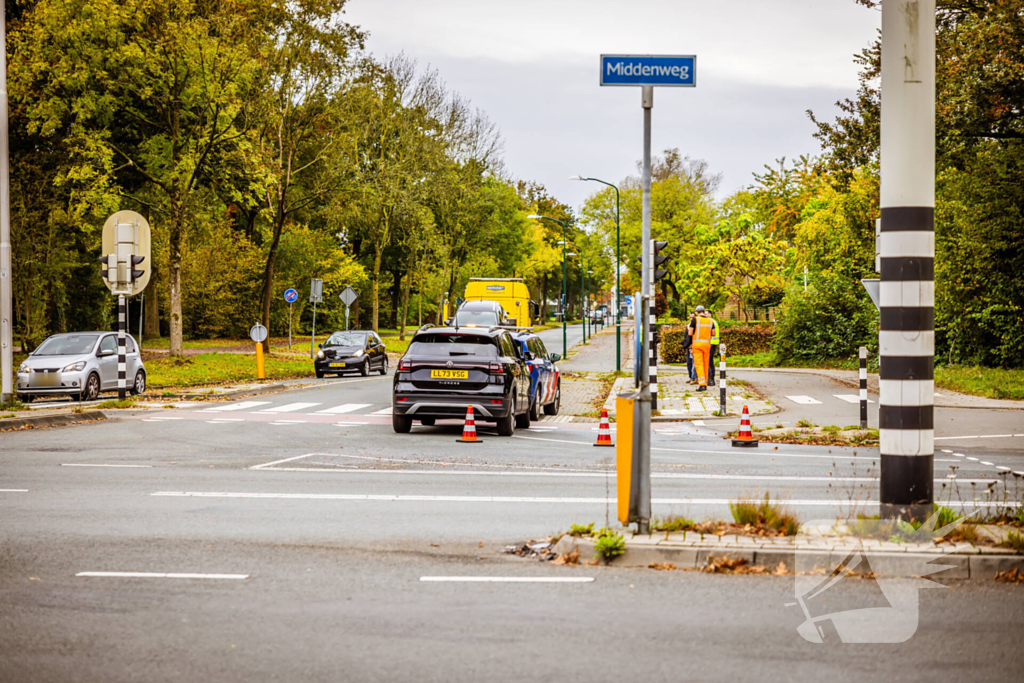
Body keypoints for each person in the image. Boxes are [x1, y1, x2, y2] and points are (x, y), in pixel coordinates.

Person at [688, 305, 714, 392]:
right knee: (706, 364)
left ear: (697, 312)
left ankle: (702, 384)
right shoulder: (711, 321)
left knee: (699, 364)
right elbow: (713, 333)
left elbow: (690, 333)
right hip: (707, 345)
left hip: (697, 345)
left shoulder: (695, 319)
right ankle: (705, 383)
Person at [683, 312, 696, 384]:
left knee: (694, 363)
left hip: (694, 347)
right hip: (689, 347)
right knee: (689, 363)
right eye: (690, 317)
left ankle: (694, 378)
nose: (691, 319)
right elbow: (686, 336)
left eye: (692, 317)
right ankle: (691, 377)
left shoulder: (696, 326)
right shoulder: (688, 326)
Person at [708, 315, 720, 387]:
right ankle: (711, 377)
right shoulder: (714, 322)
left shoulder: (712, 322)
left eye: (706, 314)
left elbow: (712, 333)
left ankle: (711, 378)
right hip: (713, 343)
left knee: (709, 361)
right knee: (710, 361)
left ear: (710, 315)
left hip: (711, 343)